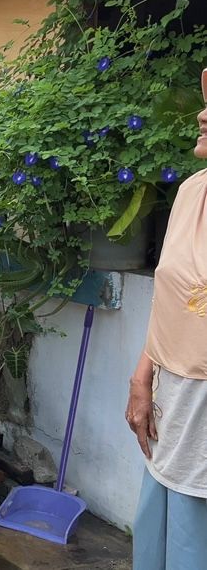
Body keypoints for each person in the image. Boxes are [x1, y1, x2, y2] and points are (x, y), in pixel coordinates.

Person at [125, 100, 207, 570]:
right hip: (170, 398)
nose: (202, 114)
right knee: (158, 536)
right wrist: (142, 376)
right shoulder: (192, 191)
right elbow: (169, 298)